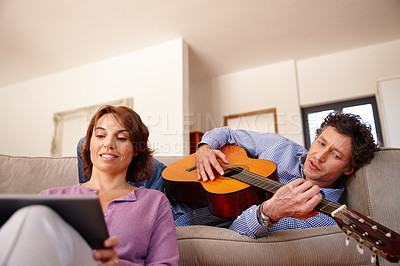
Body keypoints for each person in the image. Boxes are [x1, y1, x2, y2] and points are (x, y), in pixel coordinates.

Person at [0, 105, 179, 265]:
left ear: (136, 149)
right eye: (100, 135)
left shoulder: (154, 202)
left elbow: (165, 263)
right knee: (34, 213)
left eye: (122, 138)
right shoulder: (51, 196)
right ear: (89, 144)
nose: (108, 144)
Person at [176, 112, 377, 238]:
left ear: (348, 169)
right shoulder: (281, 147)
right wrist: (204, 148)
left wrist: (269, 211)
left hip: (181, 219)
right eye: (321, 143)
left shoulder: (323, 217)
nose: (319, 156)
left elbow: (238, 232)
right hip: (176, 180)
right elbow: (227, 133)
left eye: (335, 155)